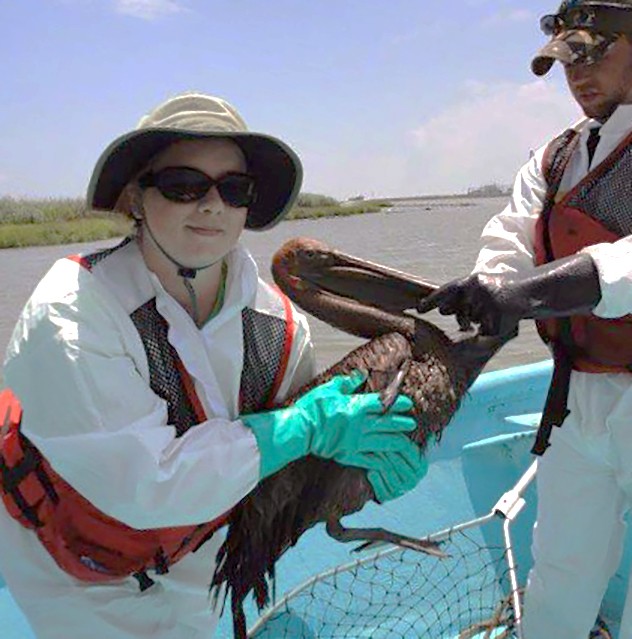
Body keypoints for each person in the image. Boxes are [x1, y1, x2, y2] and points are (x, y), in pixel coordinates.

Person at [0, 92, 427, 639]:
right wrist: (302, 427)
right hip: (72, 563)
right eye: (183, 186)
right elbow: (144, 486)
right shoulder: (73, 310)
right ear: (135, 195)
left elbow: (293, 467)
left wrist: (365, 475)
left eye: (234, 189)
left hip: (196, 552)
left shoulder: (280, 325)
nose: (211, 206)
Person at [418, 2, 632, 637]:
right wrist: (490, 290)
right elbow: (510, 238)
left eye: (594, 52)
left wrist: (526, 294)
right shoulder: (554, 157)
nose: (577, 74)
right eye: (567, 60)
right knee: (561, 564)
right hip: (577, 390)